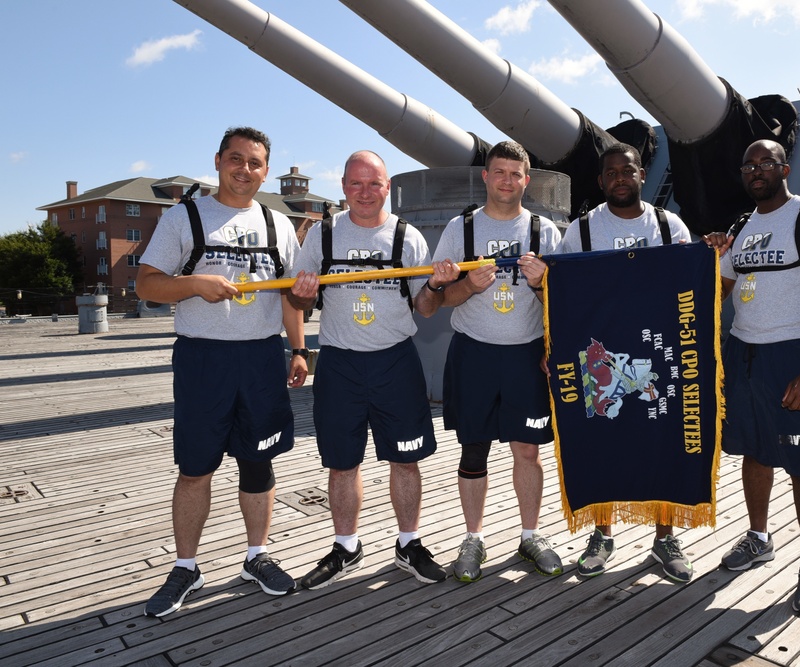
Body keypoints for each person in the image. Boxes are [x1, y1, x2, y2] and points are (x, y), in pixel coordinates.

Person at [137, 126, 307, 617]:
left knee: (258, 463)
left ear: (266, 170)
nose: (244, 170)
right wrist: (193, 284)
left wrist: (298, 351)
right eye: (236, 159)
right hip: (203, 358)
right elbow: (148, 285)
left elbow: (290, 296)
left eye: (255, 163)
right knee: (195, 468)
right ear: (217, 161)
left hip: (260, 358)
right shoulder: (184, 217)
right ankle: (186, 566)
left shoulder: (278, 225)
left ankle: (256, 557)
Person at [288, 150, 447, 587]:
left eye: (373, 183)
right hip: (339, 362)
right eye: (355, 183)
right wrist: (302, 294)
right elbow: (299, 302)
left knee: (406, 460)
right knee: (342, 464)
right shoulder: (321, 237)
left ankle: (408, 544)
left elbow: (427, 308)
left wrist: (433, 284)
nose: (364, 192)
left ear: (387, 187)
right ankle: (346, 546)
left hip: (395, 360)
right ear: (342, 186)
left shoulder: (407, 237)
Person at [709, 139, 800, 615]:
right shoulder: (742, 227)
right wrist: (709, 256)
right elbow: (721, 290)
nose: (755, 170)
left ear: (784, 168)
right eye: (747, 164)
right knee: (754, 451)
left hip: (794, 356)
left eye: (765, 162)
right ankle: (758, 538)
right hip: (745, 352)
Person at [413, 140, 563, 582]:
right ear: (485, 176)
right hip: (474, 351)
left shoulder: (544, 231)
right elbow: (432, 304)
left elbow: (564, 304)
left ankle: (530, 534)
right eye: (499, 172)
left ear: (526, 180)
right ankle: (473, 538)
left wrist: (541, 286)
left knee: (527, 450)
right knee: (473, 447)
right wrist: (465, 286)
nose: (507, 181)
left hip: (526, 353)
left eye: (515, 174)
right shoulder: (461, 230)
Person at [555, 142, 695, 582]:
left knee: (664, 441)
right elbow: (558, 295)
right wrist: (552, 349)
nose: (620, 178)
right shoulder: (581, 231)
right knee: (601, 442)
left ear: (640, 176)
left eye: (628, 171)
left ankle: (665, 538)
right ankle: (601, 535)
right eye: (611, 173)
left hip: (658, 350)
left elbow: (695, 283)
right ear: (600, 182)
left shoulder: (670, 226)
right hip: (600, 355)